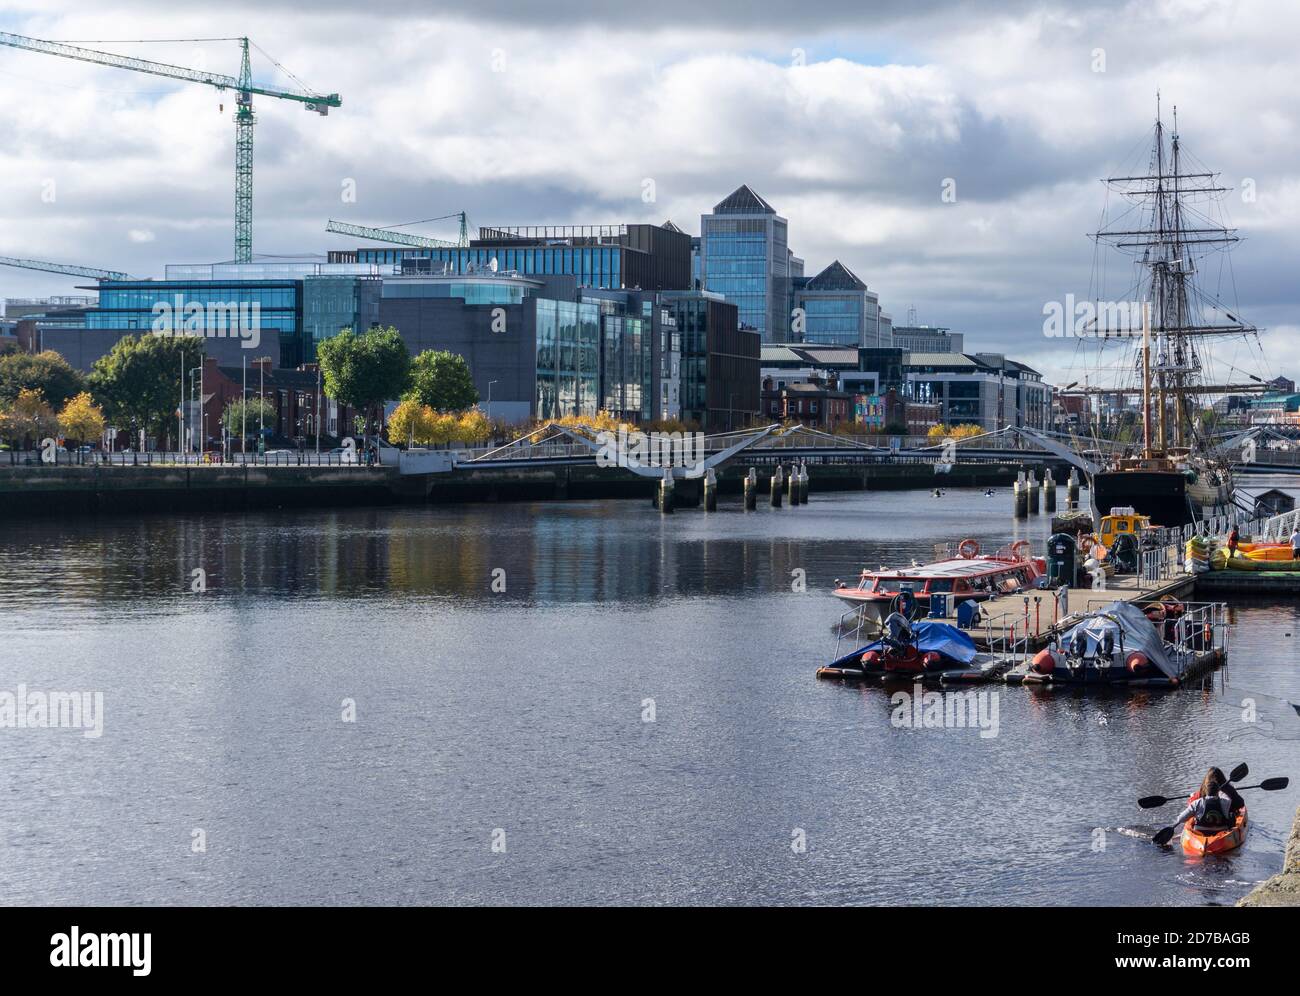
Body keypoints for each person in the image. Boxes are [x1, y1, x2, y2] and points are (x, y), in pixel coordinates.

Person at [1172, 766, 1244, 832]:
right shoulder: (1226, 799)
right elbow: (1239, 803)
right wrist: (1228, 789)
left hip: (1200, 829)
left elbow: (1181, 818)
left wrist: (1192, 797)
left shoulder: (1197, 801)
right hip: (1222, 828)